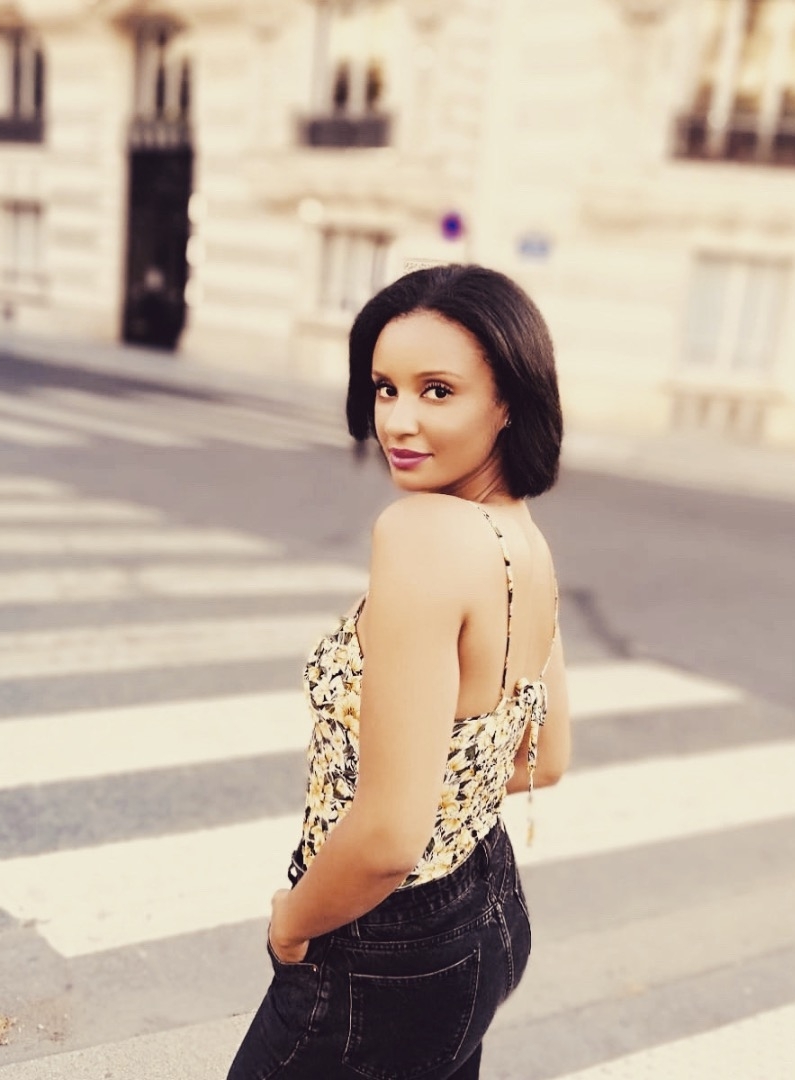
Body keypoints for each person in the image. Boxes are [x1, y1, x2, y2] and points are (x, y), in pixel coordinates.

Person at [227, 264, 571, 1080]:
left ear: (509, 402)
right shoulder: (523, 539)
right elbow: (543, 758)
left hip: (383, 941)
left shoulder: (422, 533)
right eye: (385, 388)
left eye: (437, 391)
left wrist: (292, 923)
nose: (397, 421)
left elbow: (387, 837)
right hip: (486, 908)